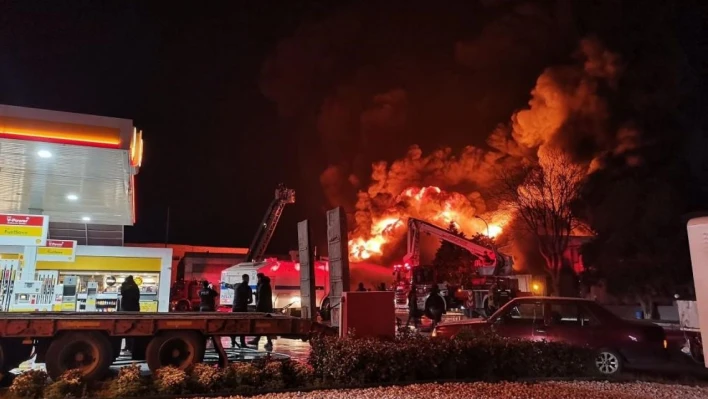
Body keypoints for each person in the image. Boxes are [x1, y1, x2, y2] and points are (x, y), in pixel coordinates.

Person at [249, 275, 274, 349]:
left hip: (263, 308)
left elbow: (261, 298)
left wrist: (258, 308)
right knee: (264, 325)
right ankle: (264, 341)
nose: (258, 280)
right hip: (267, 308)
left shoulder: (262, 286)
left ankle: (260, 340)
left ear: (260, 278)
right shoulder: (266, 285)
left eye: (258, 278)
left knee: (262, 324)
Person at [231, 274, 252, 347]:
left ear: (242, 278)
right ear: (247, 279)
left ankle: (233, 342)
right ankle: (242, 343)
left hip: (235, 308)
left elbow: (229, 286)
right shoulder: (248, 288)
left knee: (234, 324)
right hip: (243, 309)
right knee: (243, 325)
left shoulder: (236, 285)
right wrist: (245, 302)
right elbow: (250, 300)